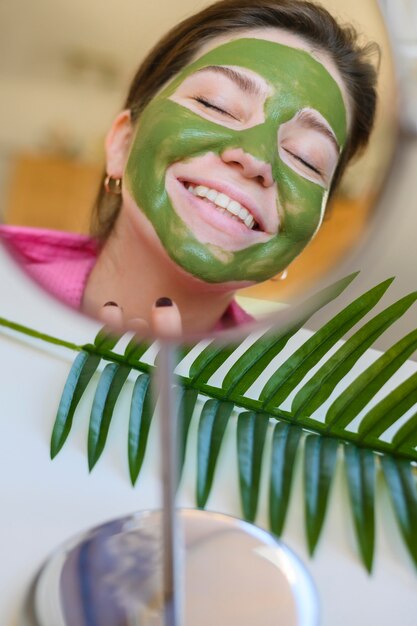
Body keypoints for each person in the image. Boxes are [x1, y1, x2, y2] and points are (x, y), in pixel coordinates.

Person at [0, 0, 379, 336]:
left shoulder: (289, 407)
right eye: (216, 105)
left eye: (306, 158)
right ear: (122, 143)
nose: (256, 158)